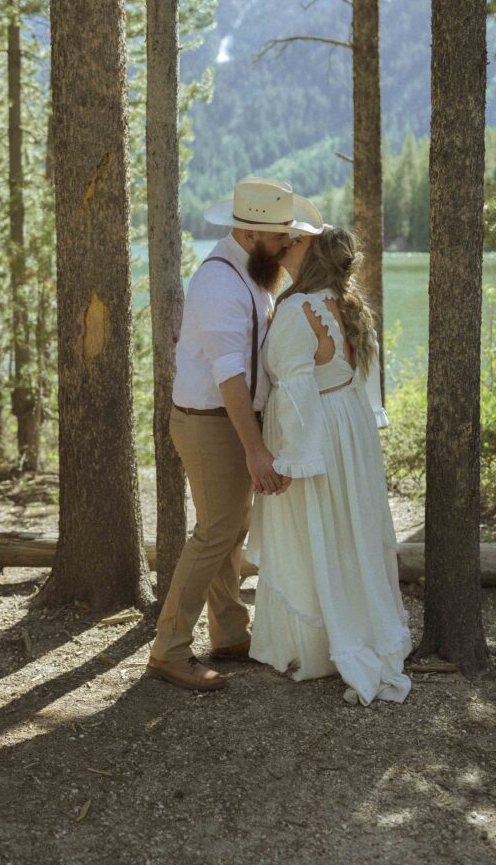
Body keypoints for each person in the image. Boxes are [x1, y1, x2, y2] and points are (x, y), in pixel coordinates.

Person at [146, 177, 324, 692]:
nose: (289, 243)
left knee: (228, 530)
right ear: (249, 233)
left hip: (228, 420)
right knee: (216, 533)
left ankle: (228, 634)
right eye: (281, 236)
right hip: (212, 424)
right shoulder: (221, 282)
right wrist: (255, 449)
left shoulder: (253, 269)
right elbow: (230, 377)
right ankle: (169, 649)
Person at [246, 227, 412, 705]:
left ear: (311, 255)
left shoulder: (300, 311)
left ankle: (321, 642)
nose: (285, 243)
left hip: (317, 434)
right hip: (346, 426)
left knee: (315, 529)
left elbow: (296, 391)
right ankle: (330, 629)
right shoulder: (345, 303)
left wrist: (294, 459)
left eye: (295, 241)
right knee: (345, 528)